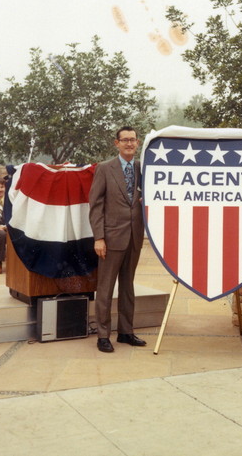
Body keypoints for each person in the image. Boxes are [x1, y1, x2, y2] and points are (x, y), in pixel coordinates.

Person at [89, 126, 146, 353]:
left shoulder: (144, 169)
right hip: (111, 238)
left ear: (138, 142)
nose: (129, 144)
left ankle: (126, 332)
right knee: (105, 287)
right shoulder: (104, 169)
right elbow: (96, 206)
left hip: (134, 236)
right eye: (125, 140)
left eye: (132, 140)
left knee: (128, 286)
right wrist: (99, 238)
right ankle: (103, 335)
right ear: (116, 143)